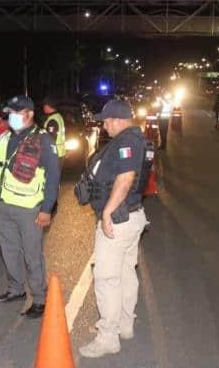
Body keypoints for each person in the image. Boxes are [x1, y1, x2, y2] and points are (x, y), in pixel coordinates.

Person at [0, 95, 60, 319]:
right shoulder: (4, 137)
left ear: (29, 114)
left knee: (32, 256)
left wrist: (46, 209)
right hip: (4, 205)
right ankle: (16, 290)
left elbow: (53, 177)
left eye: (15, 112)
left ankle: (40, 299)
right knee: (9, 252)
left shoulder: (43, 140)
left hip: (29, 209)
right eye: (10, 112)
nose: (11, 116)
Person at [78, 99, 148, 358]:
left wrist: (107, 212)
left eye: (106, 121)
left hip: (119, 220)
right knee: (125, 273)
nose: (104, 126)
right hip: (131, 217)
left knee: (107, 278)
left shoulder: (128, 140)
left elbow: (126, 176)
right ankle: (125, 324)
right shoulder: (134, 138)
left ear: (118, 119)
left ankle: (108, 337)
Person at [42, 96, 66, 168]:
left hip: (54, 154)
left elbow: (50, 139)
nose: (43, 107)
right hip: (59, 153)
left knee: (50, 178)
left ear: (47, 106)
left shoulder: (52, 120)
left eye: (44, 105)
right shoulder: (58, 116)